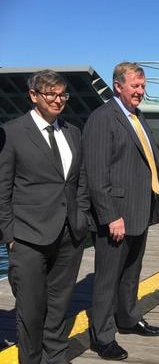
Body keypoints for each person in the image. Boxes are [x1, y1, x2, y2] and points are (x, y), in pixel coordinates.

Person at [0, 70, 94, 364]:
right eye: (50, 94)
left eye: (62, 94)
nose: (58, 100)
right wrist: (10, 236)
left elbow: (79, 180)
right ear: (33, 96)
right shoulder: (13, 133)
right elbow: (3, 188)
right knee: (30, 311)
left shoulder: (72, 132)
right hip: (27, 238)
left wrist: (81, 216)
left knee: (59, 307)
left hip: (69, 235)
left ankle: (56, 358)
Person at [83, 62, 159, 361]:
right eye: (135, 86)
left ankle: (128, 318)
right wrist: (109, 215)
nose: (141, 92)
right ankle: (102, 337)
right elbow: (95, 172)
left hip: (139, 211)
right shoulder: (103, 118)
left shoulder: (136, 117)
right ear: (118, 86)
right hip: (116, 215)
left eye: (143, 86)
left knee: (132, 272)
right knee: (107, 279)